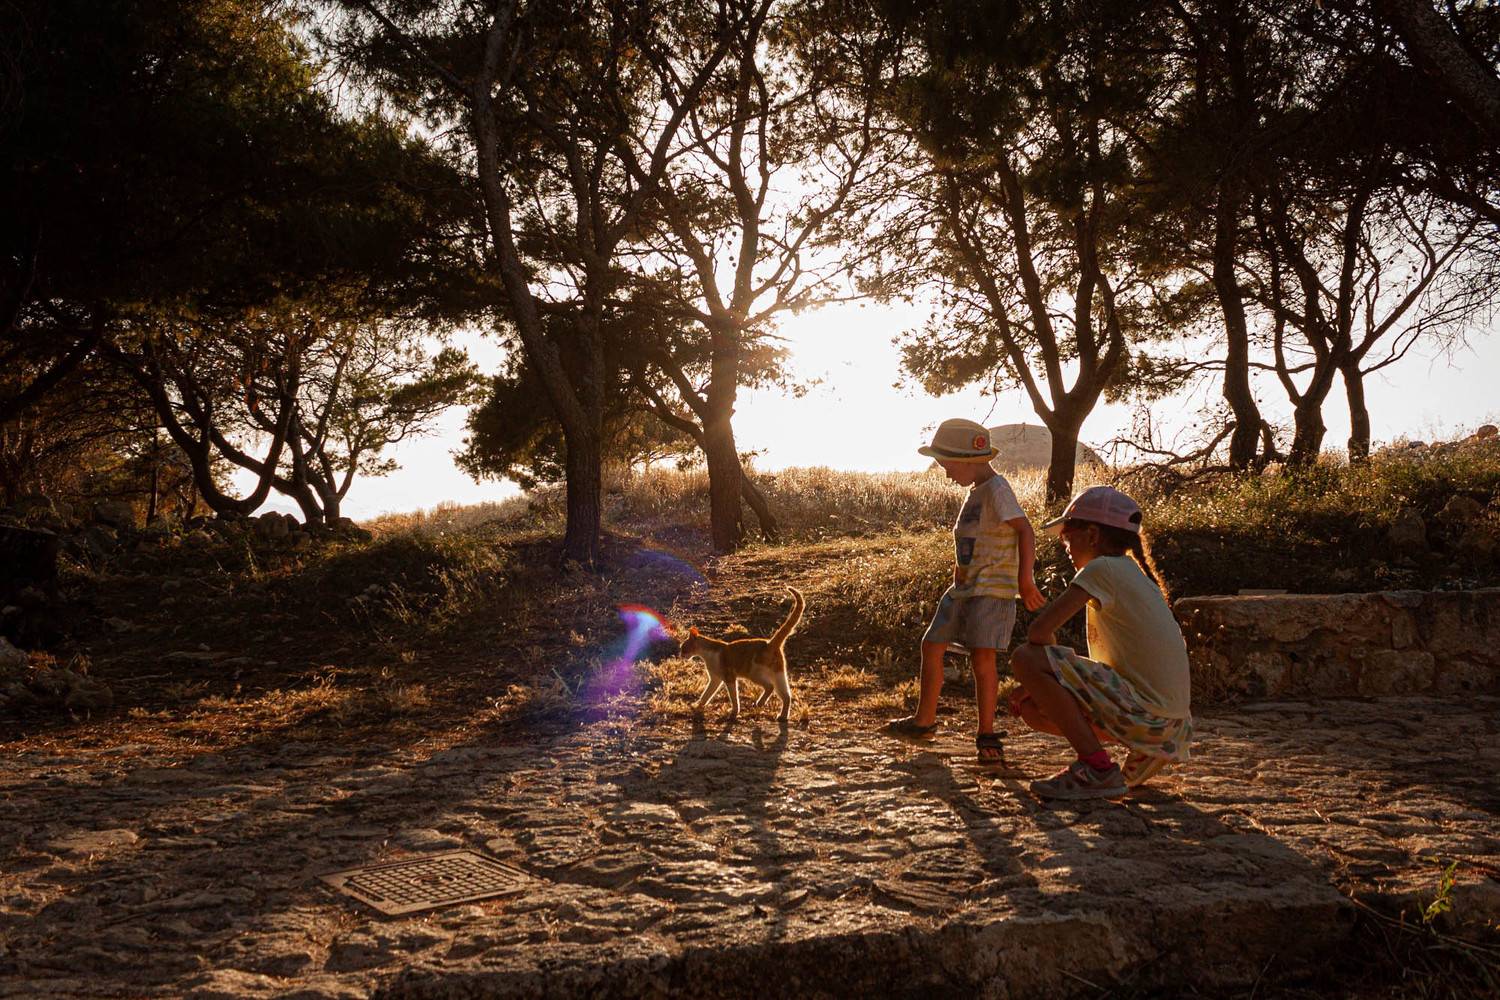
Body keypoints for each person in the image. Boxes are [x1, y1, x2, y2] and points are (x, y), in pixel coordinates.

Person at [1008, 485, 1193, 800]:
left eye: (1067, 536)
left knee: (1026, 658)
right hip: (1172, 727)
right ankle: (1145, 750)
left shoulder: (1102, 568)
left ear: (1092, 535)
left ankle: (1097, 768)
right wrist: (1047, 680)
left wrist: (1041, 673)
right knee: (1032, 709)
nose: (1065, 547)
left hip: (1146, 713)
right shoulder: (1132, 574)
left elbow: (1038, 633)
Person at [883, 418, 1045, 764]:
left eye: (948, 466)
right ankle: (924, 721)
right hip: (963, 588)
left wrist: (1025, 580)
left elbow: (1025, 530)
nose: (946, 474)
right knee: (932, 644)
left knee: (981, 658)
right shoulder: (976, 493)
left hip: (991, 589)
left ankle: (986, 732)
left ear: (968, 461)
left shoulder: (998, 489)